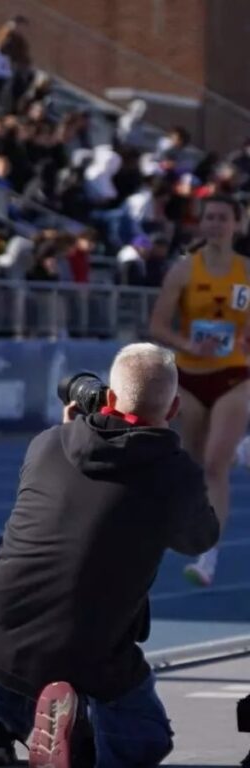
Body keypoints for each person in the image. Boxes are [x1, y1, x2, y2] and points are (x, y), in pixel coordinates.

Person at [0, 342, 218, 768]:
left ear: (111, 397)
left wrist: (71, 430)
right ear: (174, 409)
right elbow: (200, 539)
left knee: (41, 588)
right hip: (81, 649)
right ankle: (80, 739)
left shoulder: (47, 443)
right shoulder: (173, 472)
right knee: (148, 740)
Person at [148, 194, 250, 587]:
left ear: (236, 224)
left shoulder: (246, 271)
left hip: (234, 376)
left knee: (213, 465)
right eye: (210, 217)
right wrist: (189, 345)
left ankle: (208, 556)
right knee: (193, 462)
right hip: (190, 376)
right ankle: (238, 453)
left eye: (223, 218)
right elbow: (158, 325)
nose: (215, 224)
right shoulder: (184, 271)